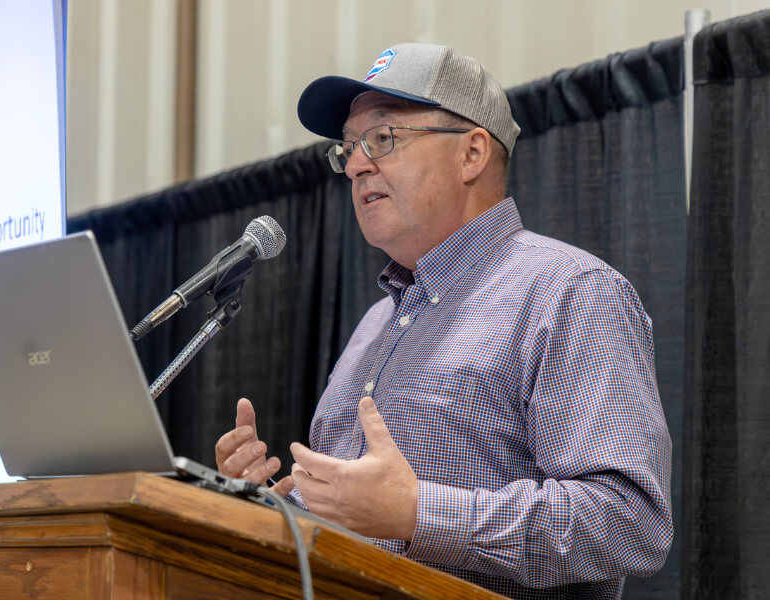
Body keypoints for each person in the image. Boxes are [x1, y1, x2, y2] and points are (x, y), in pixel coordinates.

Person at [215, 42, 672, 599]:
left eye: (382, 138)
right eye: (348, 148)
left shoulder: (569, 293)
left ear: (472, 154)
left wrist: (417, 513)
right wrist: (272, 506)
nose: (356, 164)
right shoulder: (373, 325)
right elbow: (354, 528)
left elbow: (631, 523)